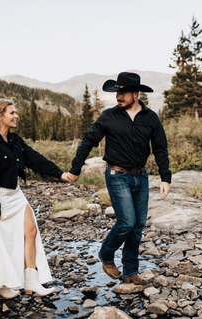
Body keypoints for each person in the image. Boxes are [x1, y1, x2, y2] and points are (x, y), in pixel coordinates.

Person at [67, 72, 171, 284]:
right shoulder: (109, 116)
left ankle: (130, 272)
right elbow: (88, 141)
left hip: (141, 177)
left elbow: (160, 148)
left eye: (123, 92)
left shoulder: (151, 117)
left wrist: (165, 177)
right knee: (126, 222)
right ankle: (106, 254)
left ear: (136, 93)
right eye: (117, 92)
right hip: (117, 175)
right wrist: (75, 168)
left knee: (138, 226)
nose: (118, 96)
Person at [0, 98, 70, 300]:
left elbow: (35, 159)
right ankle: (0, 284)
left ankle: (31, 280)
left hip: (15, 194)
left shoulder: (15, 141)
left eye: (15, 112)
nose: (16, 116)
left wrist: (60, 174)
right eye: (11, 113)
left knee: (31, 231)